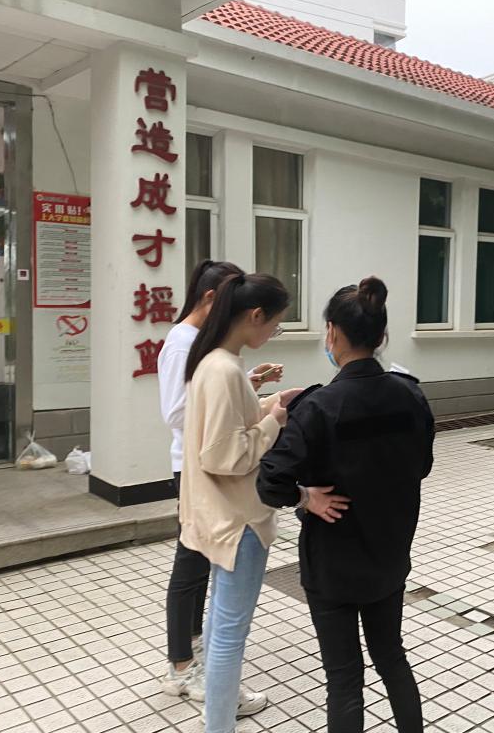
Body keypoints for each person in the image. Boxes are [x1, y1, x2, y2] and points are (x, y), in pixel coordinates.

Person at [257, 276, 434, 733]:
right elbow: (422, 465)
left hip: (333, 564)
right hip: (389, 555)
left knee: (344, 678)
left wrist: (306, 497)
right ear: (382, 336)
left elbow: (270, 481)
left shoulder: (318, 406)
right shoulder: (410, 395)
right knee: (391, 657)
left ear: (332, 333)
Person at [156, 260, 282, 708]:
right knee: (191, 567)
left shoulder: (212, 352)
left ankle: (198, 662)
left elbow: (212, 404)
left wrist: (247, 386)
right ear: (212, 298)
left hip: (208, 465)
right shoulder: (184, 344)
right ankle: (182, 667)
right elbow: (177, 411)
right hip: (196, 468)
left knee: (203, 568)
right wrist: (252, 411)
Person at [180, 271, 300, 733]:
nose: (274, 332)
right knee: (230, 632)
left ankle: (218, 717)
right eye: (276, 324)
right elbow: (224, 455)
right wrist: (275, 422)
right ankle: (219, 725)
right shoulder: (225, 369)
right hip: (239, 521)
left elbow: (225, 430)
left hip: (218, 515)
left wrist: (268, 405)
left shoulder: (214, 360)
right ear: (255, 315)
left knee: (219, 623)